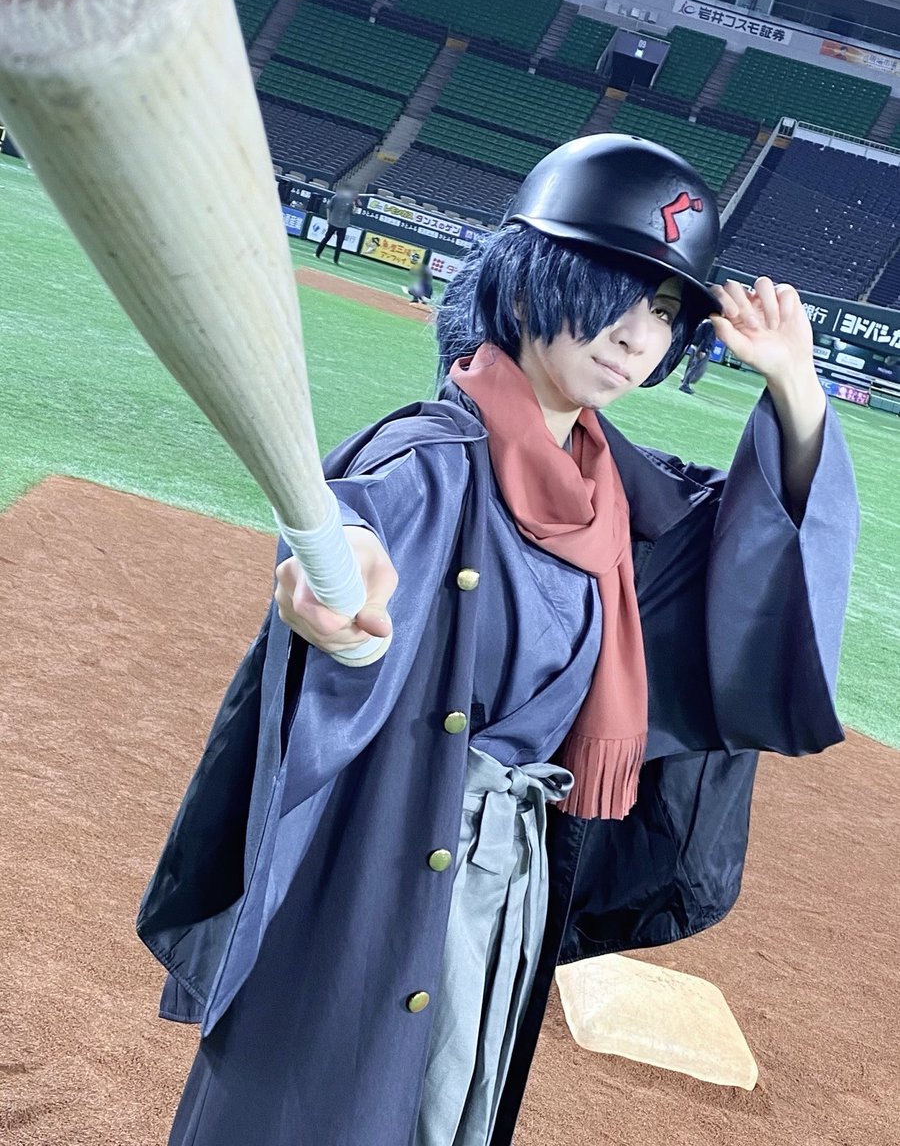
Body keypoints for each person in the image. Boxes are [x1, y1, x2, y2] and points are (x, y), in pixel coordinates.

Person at [138, 135, 858, 1146]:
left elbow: (754, 573)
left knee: (446, 1113)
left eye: (664, 311)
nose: (636, 334)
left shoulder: (620, 499)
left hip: (508, 878)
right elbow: (362, 524)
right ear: (526, 282)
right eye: (614, 291)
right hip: (388, 862)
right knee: (336, 1107)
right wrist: (335, 576)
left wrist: (795, 387)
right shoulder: (433, 459)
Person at [314, 184, 357, 264]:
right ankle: (317, 253)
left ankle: (336, 260)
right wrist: (328, 218)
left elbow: (352, 213)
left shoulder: (350, 201)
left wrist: (355, 205)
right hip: (333, 222)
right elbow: (329, 207)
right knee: (326, 238)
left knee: (339, 243)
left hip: (343, 224)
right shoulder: (336, 197)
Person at [679, 319, 716, 393]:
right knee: (696, 368)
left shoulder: (705, 322)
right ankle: (685, 384)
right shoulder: (711, 325)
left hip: (695, 346)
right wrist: (703, 349)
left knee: (691, 366)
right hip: (701, 348)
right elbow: (707, 337)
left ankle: (685, 380)